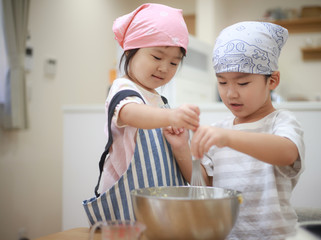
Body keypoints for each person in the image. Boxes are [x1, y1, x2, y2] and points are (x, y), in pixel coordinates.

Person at [83, 3, 199, 224]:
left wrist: (182, 143)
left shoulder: (161, 102)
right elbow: (131, 113)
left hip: (160, 213)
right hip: (126, 214)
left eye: (174, 62)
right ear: (130, 51)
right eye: (157, 57)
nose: (165, 68)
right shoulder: (123, 89)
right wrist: (172, 117)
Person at [189, 21, 305, 239]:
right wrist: (180, 148)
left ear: (272, 80)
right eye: (222, 83)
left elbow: (287, 152)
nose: (231, 94)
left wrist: (228, 137)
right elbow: (205, 185)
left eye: (242, 84)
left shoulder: (281, 122)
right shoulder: (219, 130)